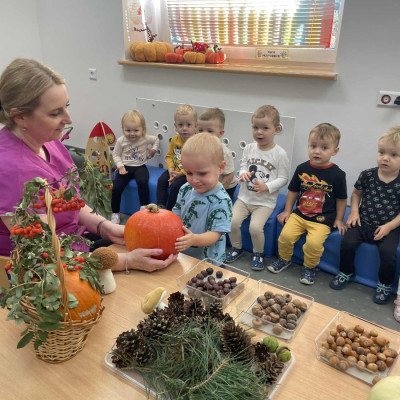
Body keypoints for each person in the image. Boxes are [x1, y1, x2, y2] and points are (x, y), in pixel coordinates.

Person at [0, 58, 177, 272]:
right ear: (20, 117)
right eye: (55, 113)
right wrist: (126, 262)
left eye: (66, 106)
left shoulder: (48, 141)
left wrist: (105, 227)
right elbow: (44, 253)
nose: (69, 119)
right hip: (42, 270)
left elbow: (73, 203)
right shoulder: (11, 170)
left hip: (75, 244)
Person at [267, 123, 347, 285]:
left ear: (335, 151)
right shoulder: (302, 168)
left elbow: (341, 199)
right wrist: (287, 211)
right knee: (285, 237)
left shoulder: (338, 174)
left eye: (324, 147)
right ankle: (284, 259)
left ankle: (310, 267)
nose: (317, 151)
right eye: (313, 146)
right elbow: (293, 191)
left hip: (323, 219)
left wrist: (339, 219)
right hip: (300, 214)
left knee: (313, 244)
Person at [329, 127, 400, 305]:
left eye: (393, 155)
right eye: (382, 152)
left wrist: (389, 227)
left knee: (388, 253)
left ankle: (385, 283)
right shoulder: (367, 174)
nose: (385, 158)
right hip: (363, 221)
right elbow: (356, 194)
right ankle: (346, 271)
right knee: (347, 242)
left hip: (389, 227)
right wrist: (354, 212)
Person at [224, 105, 289, 271]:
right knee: (231, 222)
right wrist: (243, 173)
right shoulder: (249, 148)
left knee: (255, 228)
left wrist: (267, 186)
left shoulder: (280, 154)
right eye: (255, 127)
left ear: (276, 130)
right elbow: (243, 166)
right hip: (244, 198)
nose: (259, 132)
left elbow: (283, 178)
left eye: (265, 128)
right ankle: (236, 248)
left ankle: (258, 253)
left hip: (264, 203)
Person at [173, 132, 232, 262]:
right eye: (189, 173)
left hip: (209, 262)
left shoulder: (221, 200)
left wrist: (193, 239)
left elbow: (214, 235)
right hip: (183, 254)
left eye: (202, 173)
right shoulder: (185, 189)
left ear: (221, 168)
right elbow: (176, 216)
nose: (194, 180)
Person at [111, 110, 159, 224]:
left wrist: (153, 150)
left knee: (143, 182)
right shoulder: (121, 141)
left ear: (143, 129)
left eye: (136, 130)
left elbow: (156, 140)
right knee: (116, 188)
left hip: (140, 166)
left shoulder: (145, 138)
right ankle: (115, 213)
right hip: (125, 167)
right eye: (128, 130)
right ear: (123, 129)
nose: (132, 133)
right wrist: (120, 166)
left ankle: (143, 207)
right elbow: (116, 154)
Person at [156, 104, 197, 210]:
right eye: (180, 125)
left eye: (188, 125)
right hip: (174, 170)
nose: (184, 128)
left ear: (195, 126)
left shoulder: (196, 142)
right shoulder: (174, 139)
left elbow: (196, 163)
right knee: (161, 180)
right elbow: (169, 156)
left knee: (175, 187)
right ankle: (160, 207)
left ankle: (171, 211)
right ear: (175, 126)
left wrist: (180, 174)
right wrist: (170, 170)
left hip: (188, 173)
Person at [197, 107, 237, 200]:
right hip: (209, 182)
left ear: (220, 133)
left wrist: (219, 191)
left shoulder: (224, 153)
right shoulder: (198, 147)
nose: (204, 134)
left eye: (210, 131)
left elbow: (229, 175)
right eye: (200, 130)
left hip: (227, 185)